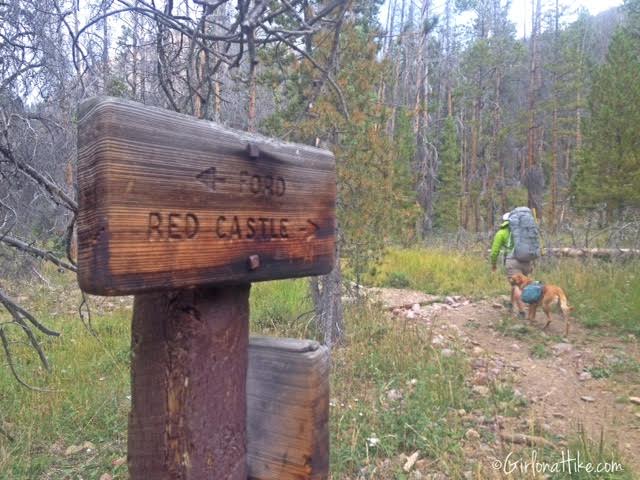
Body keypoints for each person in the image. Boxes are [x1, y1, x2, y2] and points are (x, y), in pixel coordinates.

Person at [490, 212, 533, 316]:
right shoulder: (524, 231)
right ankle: (511, 303)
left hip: (513, 261)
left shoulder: (502, 232)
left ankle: (522, 312)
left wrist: (493, 264)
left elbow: (495, 251)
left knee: (515, 286)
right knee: (518, 284)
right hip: (527, 261)